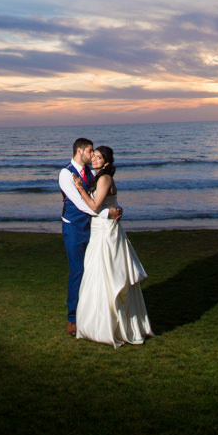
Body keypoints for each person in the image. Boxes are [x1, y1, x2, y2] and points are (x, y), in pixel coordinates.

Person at [72, 145, 154, 347]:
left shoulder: (104, 178)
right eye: (94, 156)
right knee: (96, 271)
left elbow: (94, 206)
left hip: (106, 231)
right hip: (102, 227)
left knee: (105, 272)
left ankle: (108, 326)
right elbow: (106, 205)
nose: (94, 159)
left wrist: (80, 188)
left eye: (98, 157)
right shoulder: (100, 177)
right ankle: (96, 324)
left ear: (106, 162)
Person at [59, 137, 123, 336]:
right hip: (74, 228)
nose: (92, 155)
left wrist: (113, 208)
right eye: (90, 151)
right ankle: (72, 318)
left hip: (93, 228)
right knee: (78, 272)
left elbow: (103, 195)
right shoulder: (65, 174)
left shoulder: (92, 172)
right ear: (80, 152)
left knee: (94, 272)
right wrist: (108, 213)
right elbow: (80, 203)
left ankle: (93, 314)